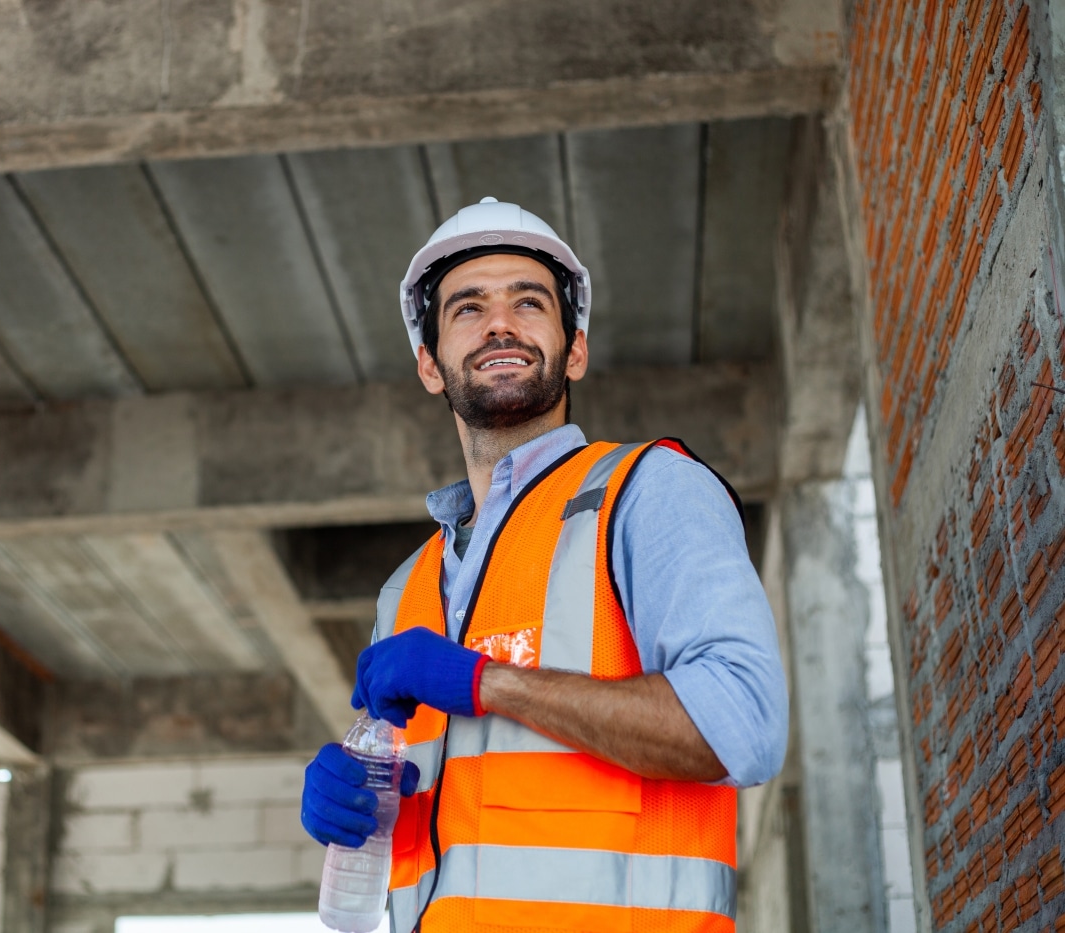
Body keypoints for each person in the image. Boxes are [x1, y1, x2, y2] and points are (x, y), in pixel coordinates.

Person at [300, 198, 787, 932]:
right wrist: (366, 808)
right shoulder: (405, 589)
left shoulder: (645, 492)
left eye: (528, 302)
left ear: (576, 349)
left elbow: (744, 726)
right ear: (430, 365)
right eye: (468, 308)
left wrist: (483, 681)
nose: (500, 323)